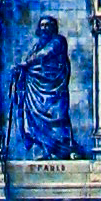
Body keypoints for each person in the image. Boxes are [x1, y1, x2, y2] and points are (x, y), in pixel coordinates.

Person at [7, 13, 78, 157]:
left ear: (53, 27)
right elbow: (32, 63)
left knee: (58, 117)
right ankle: (46, 151)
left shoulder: (58, 41)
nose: (44, 28)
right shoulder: (37, 46)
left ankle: (64, 149)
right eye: (42, 25)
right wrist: (21, 71)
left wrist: (25, 64)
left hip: (54, 88)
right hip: (35, 91)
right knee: (35, 120)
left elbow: (46, 54)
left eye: (48, 25)